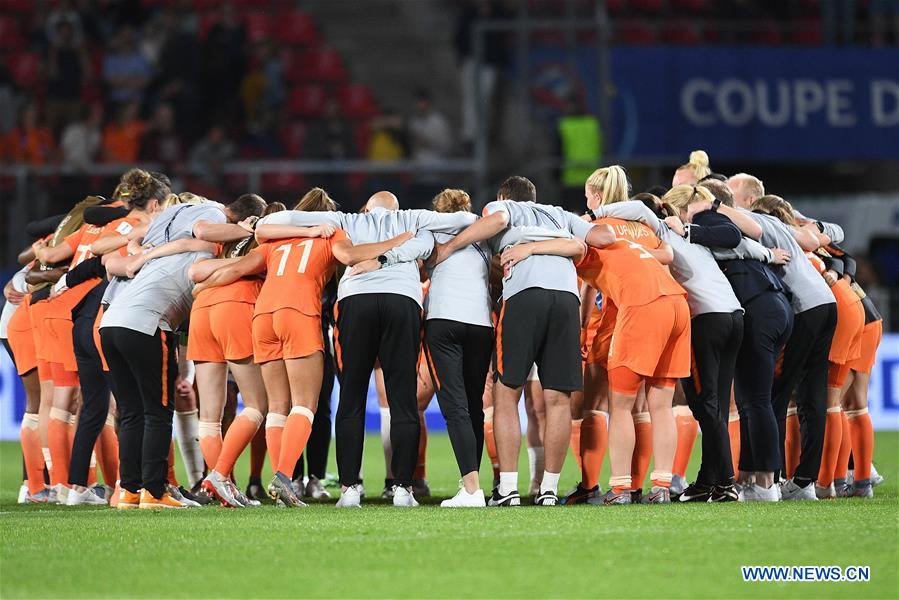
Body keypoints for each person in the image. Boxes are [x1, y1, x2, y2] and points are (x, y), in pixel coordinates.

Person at [255, 190, 477, 507]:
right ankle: (403, 488)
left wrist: (311, 229)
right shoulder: (413, 218)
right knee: (403, 399)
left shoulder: (345, 220)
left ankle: (349, 490)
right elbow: (466, 219)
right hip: (402, 301)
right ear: (396, 208)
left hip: (355, 302)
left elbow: (272, 221)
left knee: (352, 396)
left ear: (367, 209)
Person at [431, 176, 616, 506]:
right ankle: (549, 490)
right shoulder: (560, 214)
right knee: (557, 399)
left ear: (504, 196)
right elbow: (603, 237)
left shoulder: (503, 208)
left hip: (525, 297)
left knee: (506, 393)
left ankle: (508, 489)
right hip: (566, 300)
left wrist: (451, 246)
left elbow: (497, 220)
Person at [100, 183, 265, 509]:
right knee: (158, 412)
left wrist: (141, 251)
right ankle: (154, 490)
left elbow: (167, 240)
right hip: (148, 324)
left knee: (131, 412)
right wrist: (247, 231)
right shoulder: (210, 228)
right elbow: (203, 233)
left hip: (111, 323)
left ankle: (129, 490)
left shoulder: (171, 231)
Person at [596, 188, 750, 502]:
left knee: (704, 405)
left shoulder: (662, 231)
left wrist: (595, 215)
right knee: (716, 406)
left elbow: (640, 211)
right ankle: (707, 481)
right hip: (734, 314)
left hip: (705, 317)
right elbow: (740, 240)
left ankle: (726, 482)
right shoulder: (695, 237)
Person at [563, 168, 674, 505]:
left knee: (600, 404)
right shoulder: (643, 226)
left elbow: (587, 286)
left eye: (587, 195)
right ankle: (649, 485)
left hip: (621, 314)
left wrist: (581, 328)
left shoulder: (596, 228)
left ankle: (598, 485)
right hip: (667, 305)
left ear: (596, 196)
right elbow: (666, 259)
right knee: (649, 405)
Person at [693, 179, 795, 501]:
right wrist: (767, 254)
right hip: (774, 304)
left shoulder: (707, 220)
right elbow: (744, 242)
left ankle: (766, 483)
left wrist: (689, 228)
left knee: (756, 400)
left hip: (759, 308)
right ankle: (753, 477)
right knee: (752, 398)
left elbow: (734, 238)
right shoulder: (731, 223)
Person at [737, 194, 837, 500]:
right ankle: (806, 481)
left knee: (776, 395)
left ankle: (774, 479)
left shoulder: (758, 220)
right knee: (813, 394)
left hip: (803, 308)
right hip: (826, 303)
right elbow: (822, 236)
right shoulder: (783, 226)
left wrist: (713, 205)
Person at [417, 189, 495, 507]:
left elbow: (417, 263)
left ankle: (472, 490)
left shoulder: (431, 230)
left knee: (455, 406)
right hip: (481, 323)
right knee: (474, 406)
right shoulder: (483, 233)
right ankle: (472, 483)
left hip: (444, 320)